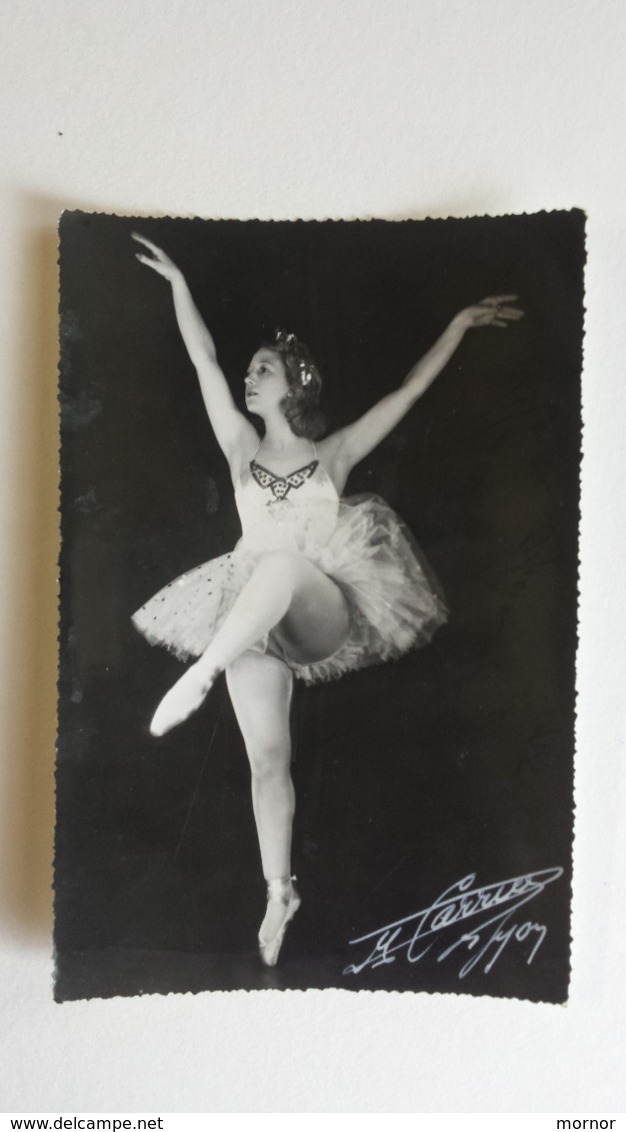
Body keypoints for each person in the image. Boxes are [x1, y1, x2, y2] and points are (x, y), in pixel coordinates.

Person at [130, 232, 523, 966]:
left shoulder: (334, 452)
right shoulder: (240, 448)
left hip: (319, 608)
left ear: (294, 382)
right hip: (252, 619)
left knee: (278, 564)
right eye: (250, 371)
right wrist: (179, 283)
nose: (249, 380)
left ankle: (198, 674)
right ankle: (279, 890)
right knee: (266, 760)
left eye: (263, 370)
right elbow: (203, 360)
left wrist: (458, 326)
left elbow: (409, 391)